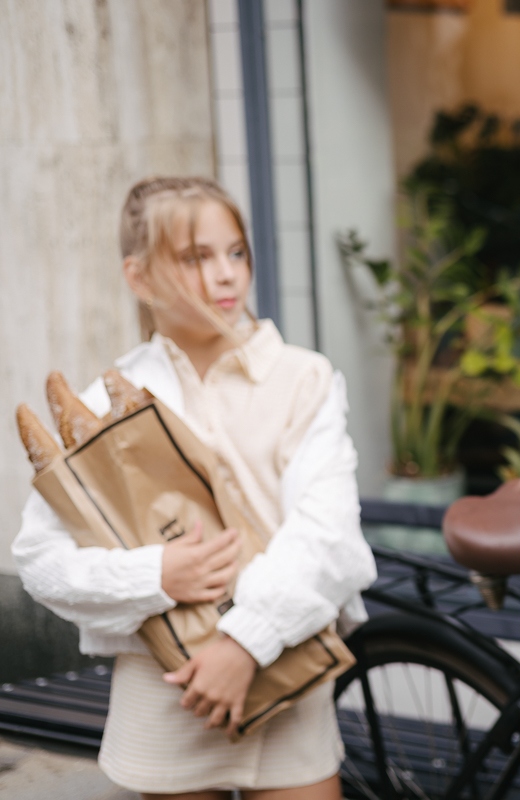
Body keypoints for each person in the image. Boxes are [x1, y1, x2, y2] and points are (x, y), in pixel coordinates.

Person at [12, 176, 377, 800]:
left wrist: (245, 643)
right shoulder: (103, 404)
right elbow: (40, 560)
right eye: (195, 257)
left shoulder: (302, 378)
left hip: (284, 665)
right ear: (139, 277)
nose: (227, 274)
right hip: (167, 689)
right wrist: (156, 575)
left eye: (236, 252)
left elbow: (329, 536)